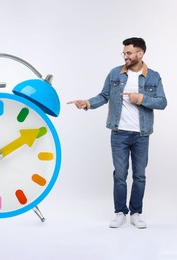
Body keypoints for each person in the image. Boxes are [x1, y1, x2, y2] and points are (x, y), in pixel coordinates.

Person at [67, 37, 167, 229]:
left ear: (140, 53)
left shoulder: (153, 76)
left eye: (129, 53)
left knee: (139, 175)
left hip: (141, 134)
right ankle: (120, 212)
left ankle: (136, 213)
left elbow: (162, 102)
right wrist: (87, 103)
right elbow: (104, 96)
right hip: (119, 133)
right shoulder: (115, 73)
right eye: (124, 53)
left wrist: (141, 98)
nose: (125, 56)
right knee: (120, 175)